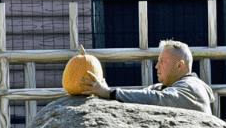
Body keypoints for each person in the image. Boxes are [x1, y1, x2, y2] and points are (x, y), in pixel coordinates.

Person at [80, 39, 215, 114]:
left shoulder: (191, 87)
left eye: (162, 62)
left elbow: (158, 99)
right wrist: (105, 91)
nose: (157, 66)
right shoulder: (167, 87)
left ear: (180, 66)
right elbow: (144, 94)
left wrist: (110, 93)